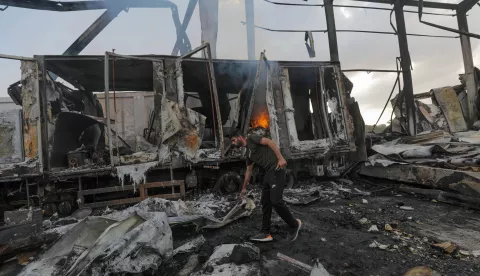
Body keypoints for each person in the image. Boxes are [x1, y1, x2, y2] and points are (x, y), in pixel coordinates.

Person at [231, 131, 302, 242]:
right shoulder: (248, 154)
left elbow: (269, 142)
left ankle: (294, 224)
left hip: (276, 169)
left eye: (233, 140)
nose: (233, 143)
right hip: (268, 173)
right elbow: (248, 171)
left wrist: (280, 158)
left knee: (276, 201)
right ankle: (265, 232)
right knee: (265, 202)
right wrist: (244, 188)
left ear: (239, 137)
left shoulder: (252, 138)